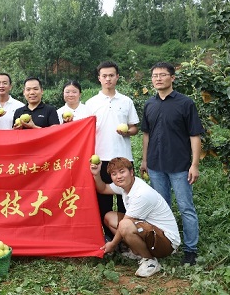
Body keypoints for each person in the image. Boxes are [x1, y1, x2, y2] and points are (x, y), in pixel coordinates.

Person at [140, 61, 204, 266]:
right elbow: (146, 135)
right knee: (161, 208)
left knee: (186, 208)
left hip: (180, 166)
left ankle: (190, 250)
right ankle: (166, 245)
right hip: (155, 166)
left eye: (162, 75)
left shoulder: (185, 103)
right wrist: (144, 160)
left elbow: (195, 135)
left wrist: (194, 164)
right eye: (154, 75)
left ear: (172, 78)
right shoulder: (149, 104)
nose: (158, 78)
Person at [90, 157, 181, 277]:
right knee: (109, 217)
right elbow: (103, 189)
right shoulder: (125, 186)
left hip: (167, 242)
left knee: (125, 225)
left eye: (122, 172)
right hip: (150, 231)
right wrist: (96, 174)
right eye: (114, 174)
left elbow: (125, 224)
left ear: (131, 172)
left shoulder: (141, 193)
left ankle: (150, 261)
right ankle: (137, 251)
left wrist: (112, 244)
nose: (118, 176)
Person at [85, 61, 140, 241]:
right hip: (100, 159)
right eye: (104, 76)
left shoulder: (126, 101)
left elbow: (134, 127)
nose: (108, 79)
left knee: (127, 201)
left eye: (111, 75)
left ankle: (127, 238)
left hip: (123, 159)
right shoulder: (91, 103)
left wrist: (127, 132)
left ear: (117, 77)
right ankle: (109, 237)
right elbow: (84, 131)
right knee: (103, 201)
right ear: (99, 78)